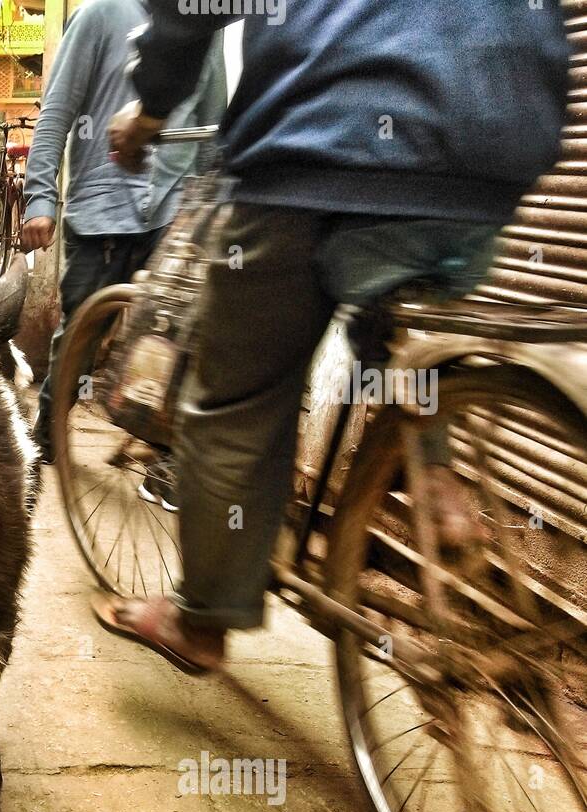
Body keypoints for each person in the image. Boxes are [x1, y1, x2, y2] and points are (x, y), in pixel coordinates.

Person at [96, 0, 570, 674]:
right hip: (496, 141)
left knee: (239, 399)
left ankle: (198, 618)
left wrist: (149, 109)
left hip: (323, 139)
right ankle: (436, 471)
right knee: (394, 308)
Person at [20, 0, 226, 463]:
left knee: (178, 337)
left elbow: (215, 128)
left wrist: (210, 213)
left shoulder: (204, 26)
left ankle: (163, 453)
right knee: (80, 334)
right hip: (102, 208)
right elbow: (58, 110)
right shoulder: (99, 16)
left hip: (173, 210)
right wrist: (39, 198)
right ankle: (49, 433)